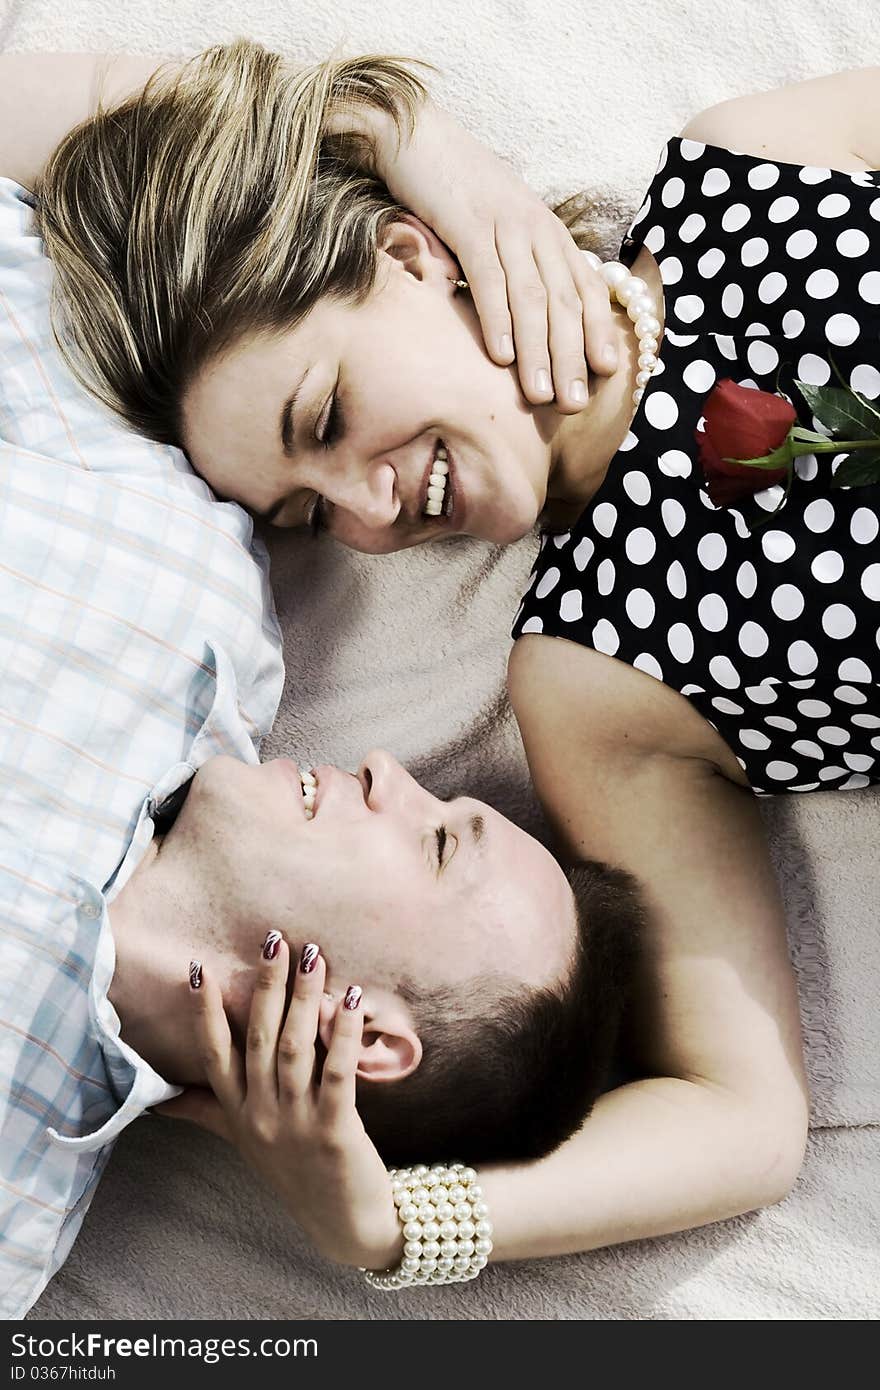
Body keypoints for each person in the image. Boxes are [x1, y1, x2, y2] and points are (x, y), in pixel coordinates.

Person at [44, 45, 876, 1287]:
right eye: (312, 518)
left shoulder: (754, 164)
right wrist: (388, 1224)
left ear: (412, 259)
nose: (370, 511)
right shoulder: (599, 666)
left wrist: (396, 132)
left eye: (323, 422)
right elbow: (739, 1115)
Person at [0, 53, 628, 1317]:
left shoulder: (23, 1196)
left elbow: (754, 1120)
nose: (397, 768)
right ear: (407, 257)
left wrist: (378, 1224)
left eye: (444, 838)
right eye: (303, 482)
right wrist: (403, 129)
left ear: (373, 1034)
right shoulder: (182, 580)